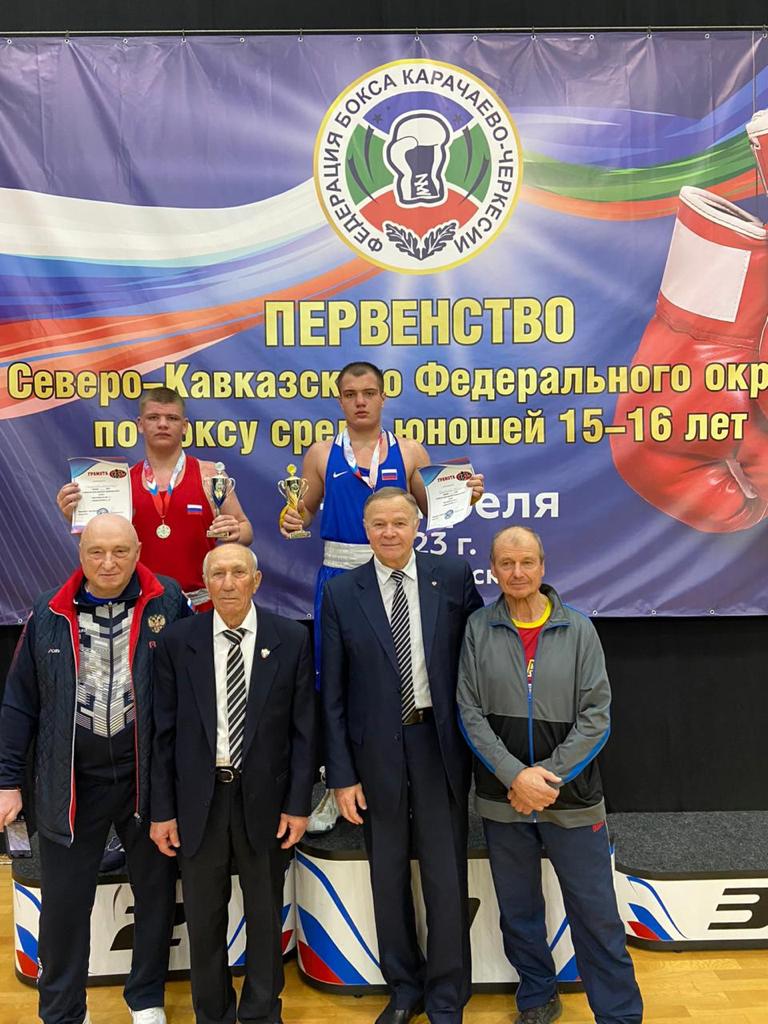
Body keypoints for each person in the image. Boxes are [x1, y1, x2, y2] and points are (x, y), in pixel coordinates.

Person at [0, 514, 192, 1024]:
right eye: (97, 552)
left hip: (146, 781)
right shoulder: (48, 611)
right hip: (70, 785)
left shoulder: (168, 600)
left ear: (138, 551)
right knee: (64, 904)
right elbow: (19, 703)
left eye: (120, 551)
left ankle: (146, 999)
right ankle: (63, 1010)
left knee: (155, 895)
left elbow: (192, 687)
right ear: (80, 553)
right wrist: (6, 780)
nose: (108, 563)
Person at [281, 360, 483, 833]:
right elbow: (301, 513)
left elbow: (431, 509)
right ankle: (336, 783)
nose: (360, 402)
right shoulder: (320, 453)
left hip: (395, 572)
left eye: (368, 393)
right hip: (340, 577)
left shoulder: (409, 450)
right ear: (339, 400)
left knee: (397, 675)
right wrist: (290, 519)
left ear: (383, 397)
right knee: (334, 681)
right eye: (351, 394)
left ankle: (410, 779)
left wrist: (465, 497)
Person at [456, 526, 643, 1024]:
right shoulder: (478, 628)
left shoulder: (578, 629)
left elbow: (596, 717)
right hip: (504, 799)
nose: (517, 573)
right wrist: (515, 777)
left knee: (597, 915)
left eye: (526, 562)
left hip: (573, 800)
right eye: (506, 563)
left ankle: (619, 1014)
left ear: (543, 566)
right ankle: (538, 998)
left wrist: (545, 779)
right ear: (493, 570)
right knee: (519, 913)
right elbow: (468, 712)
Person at [321, 488, 483, 1024]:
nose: (389, 532)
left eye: (399, 522)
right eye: (379, 524)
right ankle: (404, 988)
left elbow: (478, 656)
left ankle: (447, 994)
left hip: (439, 747)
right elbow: (333, 693)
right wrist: (341, 775)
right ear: (365, 530)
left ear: (417, 526)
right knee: (387, 877)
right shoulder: (342, 592)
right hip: (375, 757)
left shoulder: (452, 576)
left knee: (445, 875)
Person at [150, 543, 315, 1024]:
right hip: (198, 802)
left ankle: (262, 1012)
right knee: (204, 919)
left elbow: (305, 732)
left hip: (265, 801)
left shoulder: (290, 638)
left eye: (238, 572)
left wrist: (298, 804)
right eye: (217, 574)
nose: (227, 583)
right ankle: (214, 1013)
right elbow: (162, 734)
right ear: (205, 583)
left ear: (256, 581)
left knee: (265, 915)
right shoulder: (179, 641)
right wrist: (163, 811)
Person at [56, 386, 253, 610]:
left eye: (172, 418)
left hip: (201, 605)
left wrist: (236, 532)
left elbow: (245, 529)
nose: (162, 424)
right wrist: (78, 517)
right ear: (140, 424)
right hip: (140, 606)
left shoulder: (210, 475)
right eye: (153, 417)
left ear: (185, 426)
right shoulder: (121, 482)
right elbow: (101, 542)